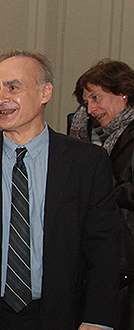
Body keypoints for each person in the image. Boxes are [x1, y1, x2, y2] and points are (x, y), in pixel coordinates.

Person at [0, 50, 119, 330]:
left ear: (45, 92)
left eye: (13, 87)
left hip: (62, 315)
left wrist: (98, 319)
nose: (0, 99)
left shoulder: (86, 163)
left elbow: (104, 249)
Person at [72, 59, 134, 329]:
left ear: (123, 92)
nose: (90, 109)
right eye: (87, 101)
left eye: (96, 98)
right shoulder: (106, 136)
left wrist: (99, 187)